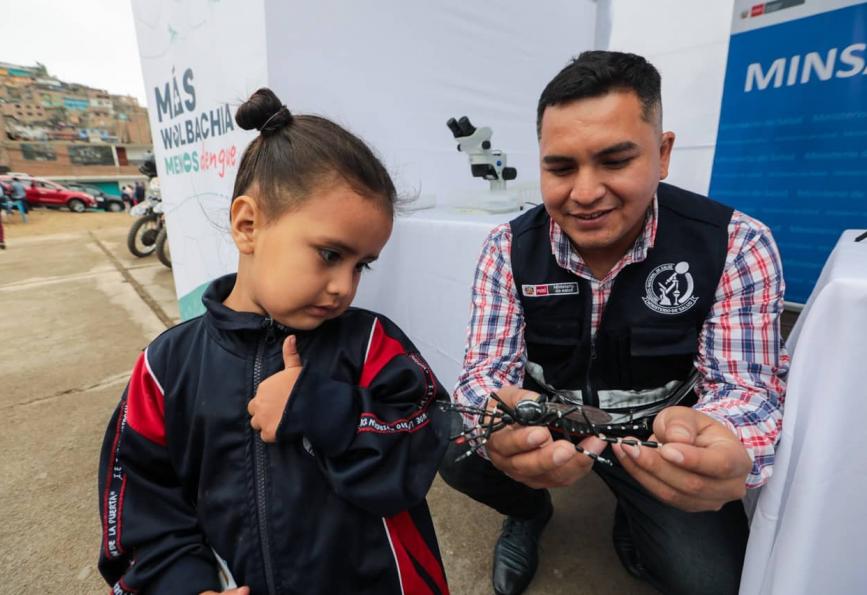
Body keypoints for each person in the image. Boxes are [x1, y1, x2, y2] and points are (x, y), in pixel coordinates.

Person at [440, 51, 788, 595]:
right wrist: (498, 427)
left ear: (663, 152)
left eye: (615, 160)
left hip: (656, 439)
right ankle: (528, 509)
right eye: (560, 167)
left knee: (712, 581)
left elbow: (746, 389)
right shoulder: (507, 249)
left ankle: (635, 501)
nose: (584, 193)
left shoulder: (736, 244)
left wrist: (721, 442)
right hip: (550, 422)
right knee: (454, 442)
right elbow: (484, 369)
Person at [97, 88, 451, 595]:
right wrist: (182, 583)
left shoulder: (373, 343)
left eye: (361, 266)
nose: (344, 287)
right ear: (248, 225)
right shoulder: (165, 367)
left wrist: (327, 410)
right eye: (330, 255)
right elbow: (140, 505)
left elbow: (424, 438)